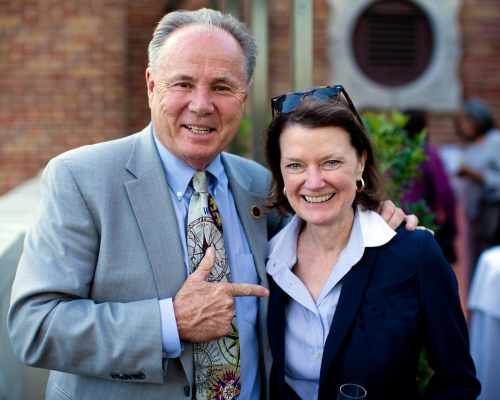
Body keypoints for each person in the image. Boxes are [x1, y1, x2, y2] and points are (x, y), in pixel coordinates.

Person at [7, 9, 416, 400]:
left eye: (221, 87)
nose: (202, 104)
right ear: (152, 86)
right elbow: (35, 326)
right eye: (183, 83)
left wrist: (372, 221)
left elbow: (319, 239)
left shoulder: (260, 184)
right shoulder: (81, 178)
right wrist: (171, 322)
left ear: (243, 97)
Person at [264, 90, 480, 399]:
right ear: (280, 171)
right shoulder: (266, 258)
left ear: (360, 163)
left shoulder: (415, 253)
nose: (313, 182)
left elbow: (457, 382)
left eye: (331, 162)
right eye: (296, 165)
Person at [401, 109, 458, 263]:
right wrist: (451, 226)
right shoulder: (427, 153)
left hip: (395, 222)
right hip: (423, 222)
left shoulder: (392, 156)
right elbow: (445, 192)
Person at [455, 99, 500, 272]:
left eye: (467, 121)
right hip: (475, 216)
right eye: (461, 122)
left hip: (493, 213)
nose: (463, 126)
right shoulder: (472, 146)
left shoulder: (494, 141)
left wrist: (476, 174)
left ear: (479, 118)